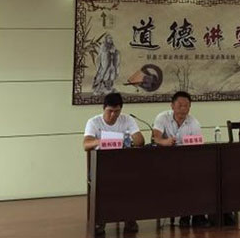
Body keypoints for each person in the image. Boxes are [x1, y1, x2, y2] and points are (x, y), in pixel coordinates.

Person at [83, 93, 144, 235]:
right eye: (110, 111)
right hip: (101, 166)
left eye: (117, 111)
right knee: (104, 184)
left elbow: (140, 141)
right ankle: (100, 220)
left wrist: (131, 138)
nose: (113, 115)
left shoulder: (127, 119)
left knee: (133, 181)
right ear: (103, 108)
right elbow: (86, 145)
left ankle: (129, 217)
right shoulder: (94, 122)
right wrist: (100, 141)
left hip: (124, 165)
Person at [152, 91, 208, 228]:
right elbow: (155, 138)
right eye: (180, 105)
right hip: (165, 161)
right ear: (172, 106)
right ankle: (185, 214)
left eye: (186, 106)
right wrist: (165, 142)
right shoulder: (162, 118)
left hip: (187, 162)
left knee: (198, 177)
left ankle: (196, 215)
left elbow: (198, 147)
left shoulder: (194, 122)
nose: (183, 109)